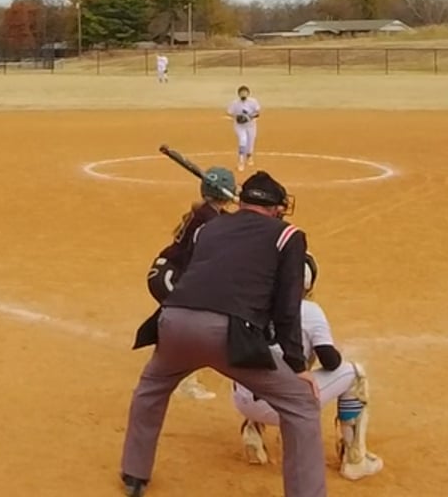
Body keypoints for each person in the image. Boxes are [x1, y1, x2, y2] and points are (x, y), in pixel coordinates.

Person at [119, 171, 322, 497]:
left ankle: (134, 474)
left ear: (241, 202)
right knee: (301, 404)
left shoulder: (209, 227)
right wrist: (297, 365)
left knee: (151, 388)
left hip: (174, 322)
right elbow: (287, 307)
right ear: (276, 207)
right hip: (229, 335)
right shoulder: (288, 235)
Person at [231, 252, 384, 481]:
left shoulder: (251, 303)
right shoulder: (309, 311)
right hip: (279, 406)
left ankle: (252, 431)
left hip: (241, 398)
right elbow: (330, 361)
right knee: (354, 375)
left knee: (265, 360)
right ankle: (355, 459)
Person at [145, 164, 238, 401]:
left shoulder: (207, 213)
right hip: (169, 277)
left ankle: (168, 364)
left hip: (168, 272)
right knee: (189, 324)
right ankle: (183, 381)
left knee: (185, 324)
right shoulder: (210, 221)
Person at [228, 86, 262, 173]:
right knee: (243, 140)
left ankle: (249, 156)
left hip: (251, 126)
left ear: (248, 93)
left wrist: (249, 117)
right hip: (239, 126)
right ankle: (241, 161)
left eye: (245, 92)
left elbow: (258, 113)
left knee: (250, 143)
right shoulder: (235, 103)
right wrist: (237, 117)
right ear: (238, 94)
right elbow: (230, 113)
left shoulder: (253, 102)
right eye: (241, 93)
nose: (243, 94)